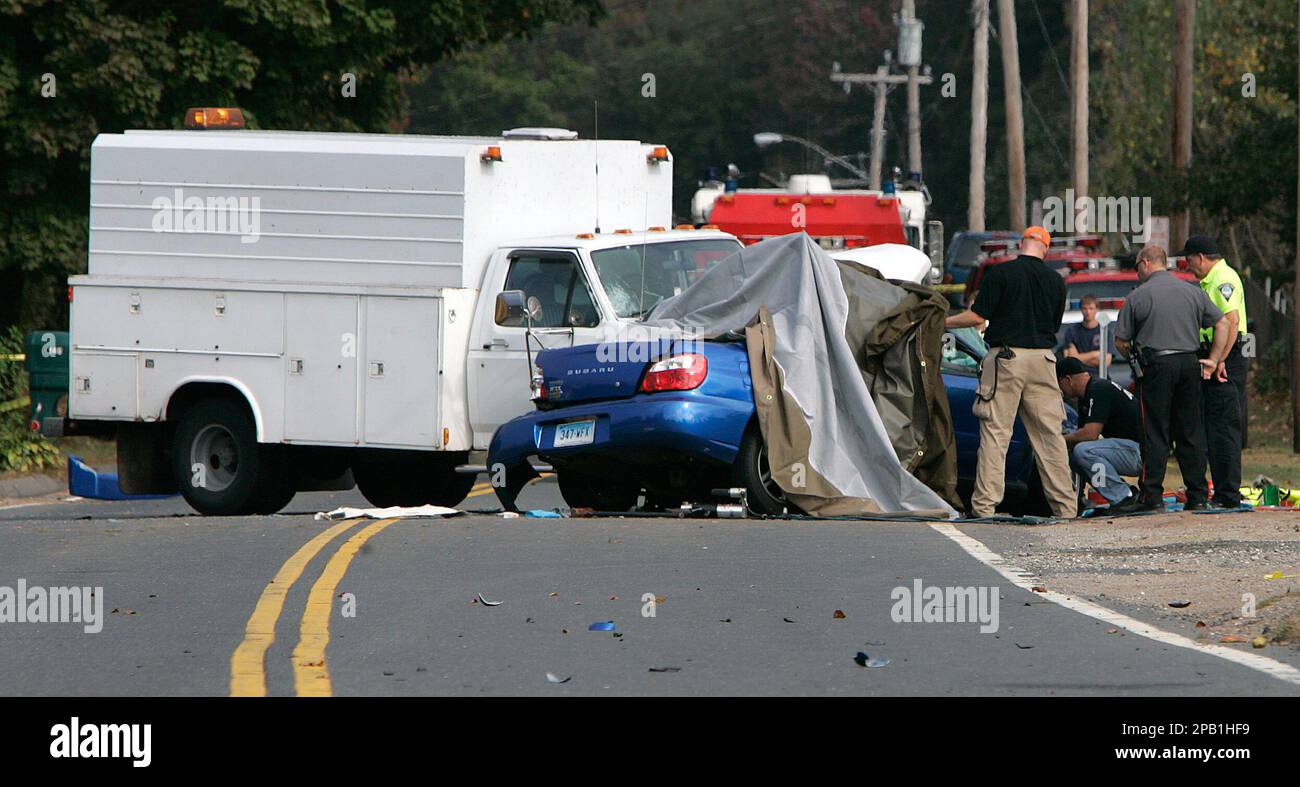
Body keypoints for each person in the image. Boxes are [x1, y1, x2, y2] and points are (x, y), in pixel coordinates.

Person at [945, 226, 1077, 518]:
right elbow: (1054, 325)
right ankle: (1066, 509)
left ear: (1022, 244)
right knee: (1050, 438)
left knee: (996, 434)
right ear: (1045, 248)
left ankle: (985, 508)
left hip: (1006, 358)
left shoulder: (1002, 274)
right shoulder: (1056, 281)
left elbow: (978, 316)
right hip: (1043, 361)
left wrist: (944, 323)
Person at [1112, 245, 1231, 513]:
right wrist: (1214, 359)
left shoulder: (1138, 296)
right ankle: (1198, 496)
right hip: (1190, 364)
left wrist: (1133, 353)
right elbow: (1222, 323)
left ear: (1145, 262)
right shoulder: (1192, 291)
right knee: (1190, 431)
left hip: (1156, 366)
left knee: (1154, 431)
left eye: (1137, 267)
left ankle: (1151, 497)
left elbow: (1120, 341)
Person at [1179, 234, 1248, 509]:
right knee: (1214, 426)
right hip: (1217, 353)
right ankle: (1222, 492)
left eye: (1189, 260)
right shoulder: (1210, 280)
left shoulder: (1222, 280)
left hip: (1225, 357)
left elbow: (1231, 321)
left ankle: (1227, 495)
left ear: (1200, 257)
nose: (1188, 266)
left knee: (1223, 428)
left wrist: (1218, 359)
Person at [1056, 357, 1141, 508]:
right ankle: (1079, 498)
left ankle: (1123, 497)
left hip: (1142, 452)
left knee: (1083, 450)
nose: (1060, 391)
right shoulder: (1089, 392)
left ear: (1067, 379)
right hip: (1131, 449)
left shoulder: (1098, 388)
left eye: (1059, 384)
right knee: (1075, 452)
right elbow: (1081, 438)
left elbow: (1090, 434)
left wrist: (1057, 440)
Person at [1062, 295, 1114, 375]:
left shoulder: (1104, 332)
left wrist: (1079, 358)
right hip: (1078, 376)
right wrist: (1095, 354)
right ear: (1081, 309)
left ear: (1097, 309)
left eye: (1091, 308)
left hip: (1100, 376)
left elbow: (1106, 362)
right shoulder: (1072, 331)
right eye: (1084, 308)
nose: (1088, 312)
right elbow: (1070, 359)